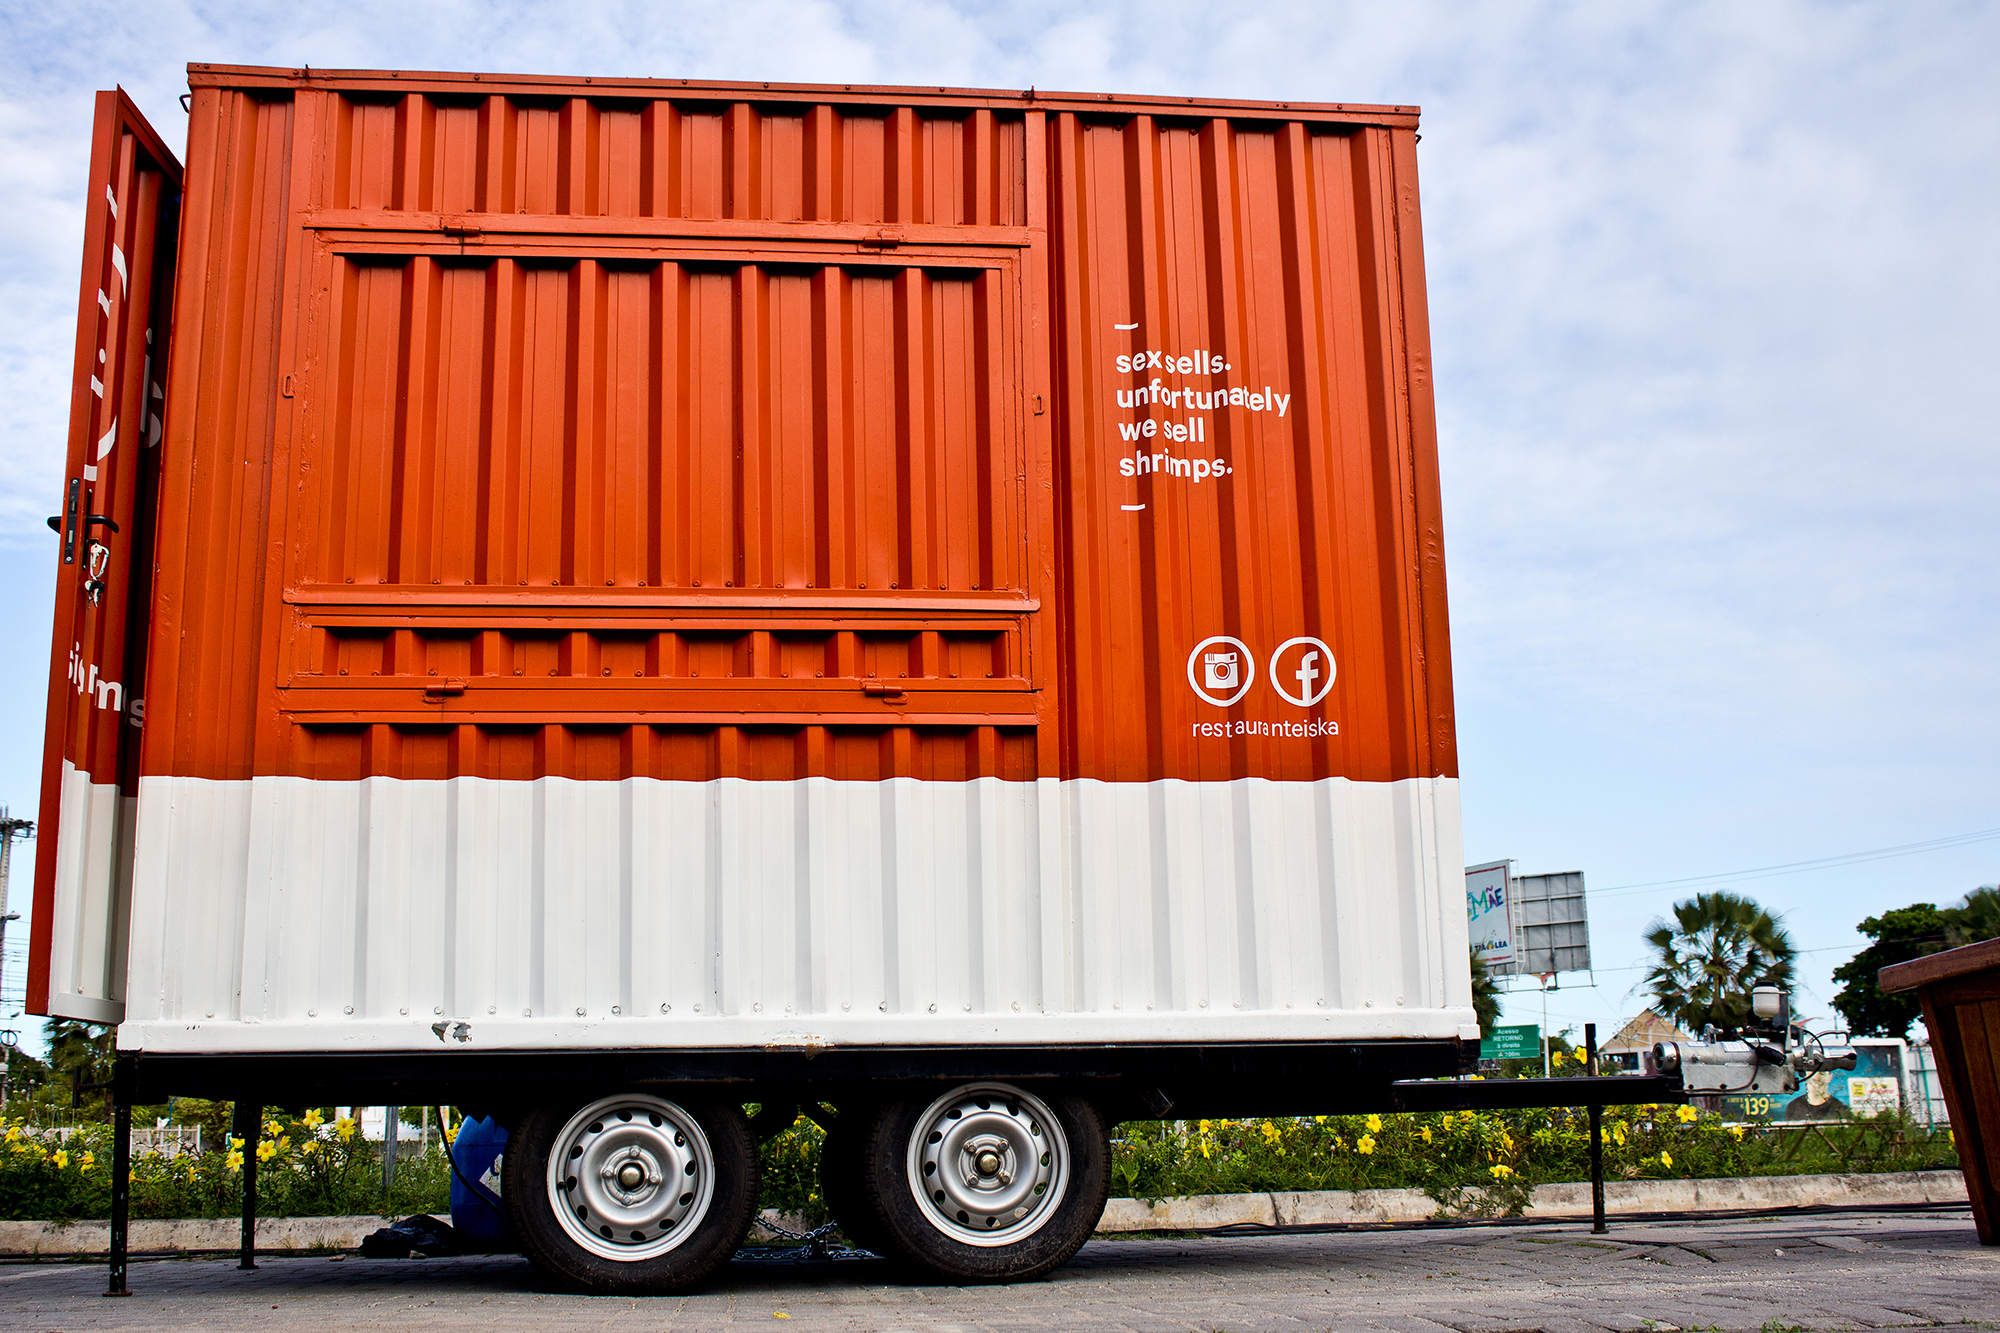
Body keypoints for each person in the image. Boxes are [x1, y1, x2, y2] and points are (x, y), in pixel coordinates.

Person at [1783, 1070, 1848, 1122]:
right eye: (1812, 1073)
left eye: (1822, 1073)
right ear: (1805, 1076)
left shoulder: (1841, 1109)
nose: (1816, 1078)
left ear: (1830, 1077)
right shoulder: (1793, 1106)